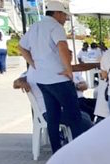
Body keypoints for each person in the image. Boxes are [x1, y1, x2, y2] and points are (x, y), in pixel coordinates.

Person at [19, 0, 91, 151]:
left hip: (42, 79)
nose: (65, 19)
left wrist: (33, 63)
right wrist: (68, 69)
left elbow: (21, 46)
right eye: (64, 15)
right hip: (58, 78)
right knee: (75, 117)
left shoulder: (35, 26)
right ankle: (79, 151)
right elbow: (62, 47)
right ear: (57, 13)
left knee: (53, 117)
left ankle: (56, 151)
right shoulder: (55, 27)